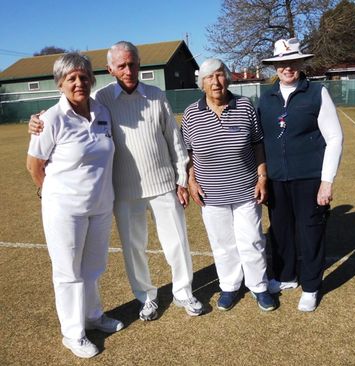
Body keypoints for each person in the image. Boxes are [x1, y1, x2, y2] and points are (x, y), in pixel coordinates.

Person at [30, 41, 203, 321]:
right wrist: (36, 119)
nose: (128, 70)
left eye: (132, 63)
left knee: (177, 243)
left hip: (163, 185)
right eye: (121, 65)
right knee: (134, 249)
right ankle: (146, 297)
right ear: (110, 69)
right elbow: (68, 107)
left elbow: (175, 139)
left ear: (139, 64)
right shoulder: (101, 99)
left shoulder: (157, 95)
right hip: (123, 192)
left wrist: (181, 179)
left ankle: (184, 292)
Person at [26, 53, 123, 359]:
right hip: (64, 210)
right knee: (68, 272)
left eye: (83, 77)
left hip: (100, 206)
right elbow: (34, 166)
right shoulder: (50, 119)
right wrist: (53, 195)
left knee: (93, 267)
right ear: (60, 83)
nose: (79, 83)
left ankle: (93, 316)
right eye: (71, 78)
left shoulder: (102, 111)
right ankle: (73, 332)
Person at [181, 58, 276, 312]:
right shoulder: (191, 114)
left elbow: (258, 144)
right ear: (202, 83)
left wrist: (262, 177)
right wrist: (191, 180)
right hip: (211, 193)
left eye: (220, 75)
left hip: (246, 188)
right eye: (210, 77)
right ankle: (230, 286)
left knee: (253, 240)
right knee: (222, 243)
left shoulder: (245, 106)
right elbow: (188, 153)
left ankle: (259, 286)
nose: (216, 82)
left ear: (228, 78)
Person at [258, 38, 343, 312]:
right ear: (275, 67)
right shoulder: (265, 98)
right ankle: (285, 276)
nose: (287, 68)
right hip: (276, 179)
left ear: (300, 63)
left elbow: (334, 138)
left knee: (311, 232)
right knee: (280, 231)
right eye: (282, 63)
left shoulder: (316, 93)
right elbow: (258, 139)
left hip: (309, 179)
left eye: (292, 62)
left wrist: (326, 181)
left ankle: (311, 286)